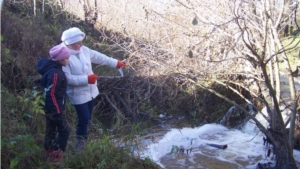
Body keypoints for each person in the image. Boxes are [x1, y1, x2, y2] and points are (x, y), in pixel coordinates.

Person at [60, 27, 126, 152]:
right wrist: (86, 79)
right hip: (77, 94)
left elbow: (99, 57)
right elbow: (67, 78)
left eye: (81, 42)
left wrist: (115, 63)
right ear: (69, 44)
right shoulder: (63, 56)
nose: (81, 44)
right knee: (84, 118)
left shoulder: (83, 50)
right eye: (78, 43)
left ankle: (85, 138)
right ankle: (79, 145)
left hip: (91, 92)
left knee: (88, 117)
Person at [37, 45, 71, 162]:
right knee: (65, 131)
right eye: (66, 58)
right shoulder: (55, 73)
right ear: (60, 60)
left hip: (51, 107)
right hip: (54, 109)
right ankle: (56, 156)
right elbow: (51, 93)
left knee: (51, 131)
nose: (68, 60)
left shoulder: (55, 69)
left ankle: (49, 155)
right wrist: (57, 110)